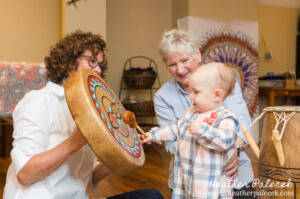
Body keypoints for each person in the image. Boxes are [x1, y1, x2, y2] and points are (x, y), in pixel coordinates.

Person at [3, 31, 163, 199]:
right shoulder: (38, 101)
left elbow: (90, 176)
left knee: (151, 196)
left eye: (101, 65)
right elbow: (25, 175)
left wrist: (122, 150)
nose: (98, 70)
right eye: (92, 61)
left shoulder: (92, 110)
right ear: (69, 62)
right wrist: (76, 141)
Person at [154, 29, 256, 198]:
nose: (180, 69)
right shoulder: (163, 97)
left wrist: (233, 153)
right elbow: (171, 143)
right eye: (172, 65)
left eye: (185, 60)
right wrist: (213, 151)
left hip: (232, 171)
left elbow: (243, 126)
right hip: (188, 179)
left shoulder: (224, 82)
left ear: (198, 55)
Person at [142, 62, 239, 198]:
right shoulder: (192, 113)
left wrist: (203, 130)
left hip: (210, 187)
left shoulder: (226, 118)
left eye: (196, 92)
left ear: (216, 95)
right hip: (187, 178)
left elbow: (226, 139)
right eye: (191, 91)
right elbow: (176, 128)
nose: (191, 96)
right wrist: (154, 135)